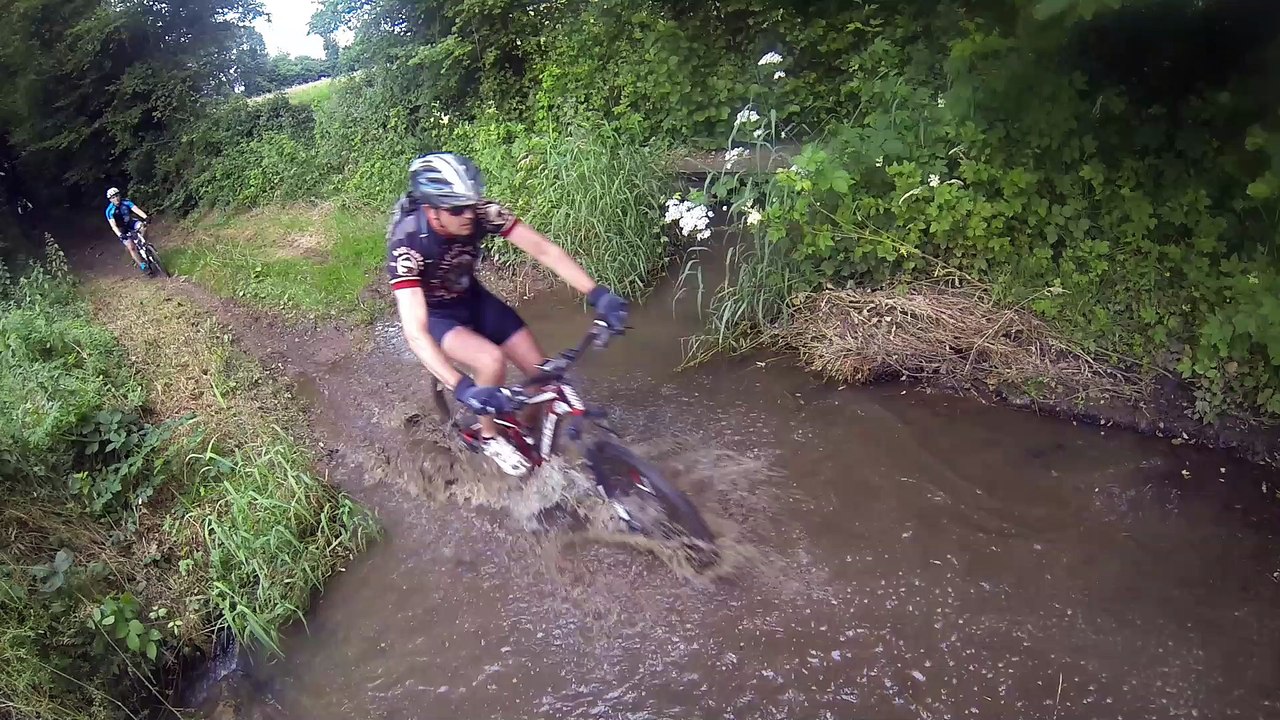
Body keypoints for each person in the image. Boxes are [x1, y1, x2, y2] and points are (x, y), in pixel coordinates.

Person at [387, 153, 629, 476]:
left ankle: (527, 433)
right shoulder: (407, 243)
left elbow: (543, 250)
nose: (467, 216)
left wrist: (597, 294)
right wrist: (463, 388)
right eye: (456, 210)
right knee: (490, 361)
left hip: (474, 300)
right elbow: (414, 331)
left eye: (469, 206)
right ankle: (489, 436)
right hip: (437, 317)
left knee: (543, 376)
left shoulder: (482, 213)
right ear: (431, 210)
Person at [105, 187, 151, 273]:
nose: (116, 198)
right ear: (110, 200)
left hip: (130, 222)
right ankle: (142, 265)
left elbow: (136, 210)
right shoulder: (109, 211)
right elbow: (113, 225)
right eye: (113, 197)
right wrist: (119, 234)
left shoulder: (126, 202)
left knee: (143, 226)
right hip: (122, 229)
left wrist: (145, 217)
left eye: (117, 195)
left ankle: (144, 244)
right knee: (131, 247)